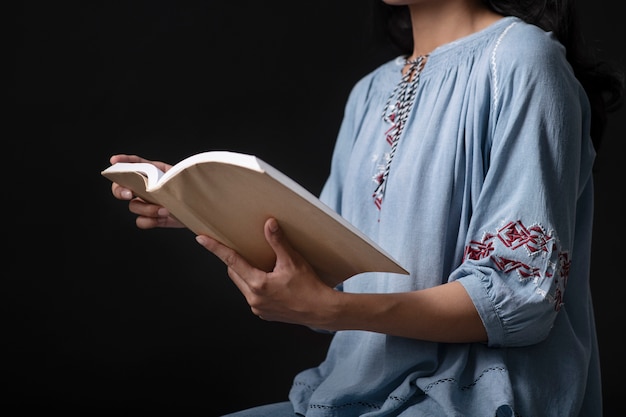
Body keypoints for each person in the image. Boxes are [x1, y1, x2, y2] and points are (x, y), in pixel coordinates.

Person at [109, 0, 624, 416]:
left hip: (478, 399)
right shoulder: (370, 93)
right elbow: (330, 274)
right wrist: (198, 203)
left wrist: (333, 309)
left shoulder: (523, 61)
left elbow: (521, 299)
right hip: (348, 394)